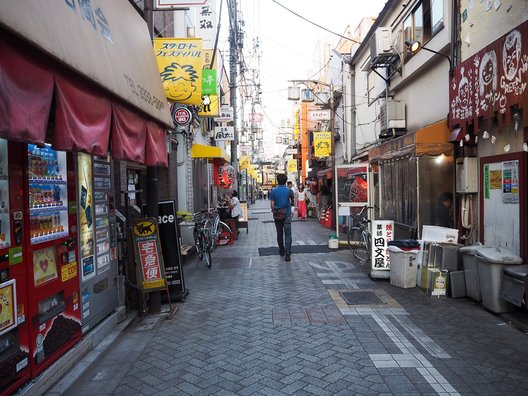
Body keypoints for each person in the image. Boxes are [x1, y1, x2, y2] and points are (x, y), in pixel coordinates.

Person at [270, 174, 294, 261]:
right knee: (288, 234)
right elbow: (292, 201)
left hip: (277, 215)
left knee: (279, 234)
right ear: (286, 181)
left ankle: (281, 250)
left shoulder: (273, 191)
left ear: (277, 180)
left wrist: (274, 211)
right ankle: (288, 253)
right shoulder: (289, 190)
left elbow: (272, 204)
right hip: (287, 214)